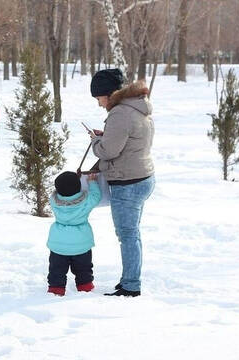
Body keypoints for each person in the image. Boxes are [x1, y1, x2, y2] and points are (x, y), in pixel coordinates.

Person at [89, 69, 155, 297]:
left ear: (108, 94)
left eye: (98, 98)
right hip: (142, 176)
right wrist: (106, 135)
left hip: (128, 182)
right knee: (132, 234)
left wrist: (97, 141)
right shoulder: (137, 106)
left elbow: (108, 151)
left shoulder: (120, 114)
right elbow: (127, 140)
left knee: (127, 235)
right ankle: (129, 279)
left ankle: (131, 285)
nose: (99, 104)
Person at [47, 171, 102, 296]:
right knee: (83, 268)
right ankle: (85, 285)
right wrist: (92, 182)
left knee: (57, 269)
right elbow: (96, 196)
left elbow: (57, 192)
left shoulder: (54, 201)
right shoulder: (86, 202)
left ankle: (56, 288)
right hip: (81, 244)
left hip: (59, 245)